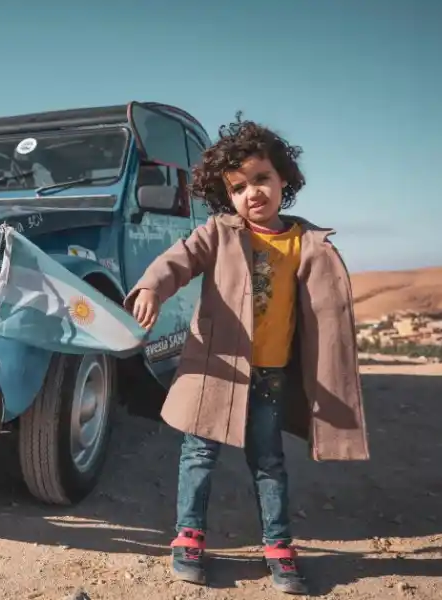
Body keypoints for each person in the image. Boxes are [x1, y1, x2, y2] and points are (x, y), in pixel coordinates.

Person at [123, 112, 370, 595]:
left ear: (284, 180)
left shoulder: (307, 242)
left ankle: (278, 545)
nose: (252, 193)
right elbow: (179, 258)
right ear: (227, 196)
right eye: (238, 187)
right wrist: (152, 286)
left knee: (269, 461)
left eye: (262, 179)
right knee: (198, 453)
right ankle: (189, 537)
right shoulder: (219, 232)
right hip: (216, 369)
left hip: (272, 372)